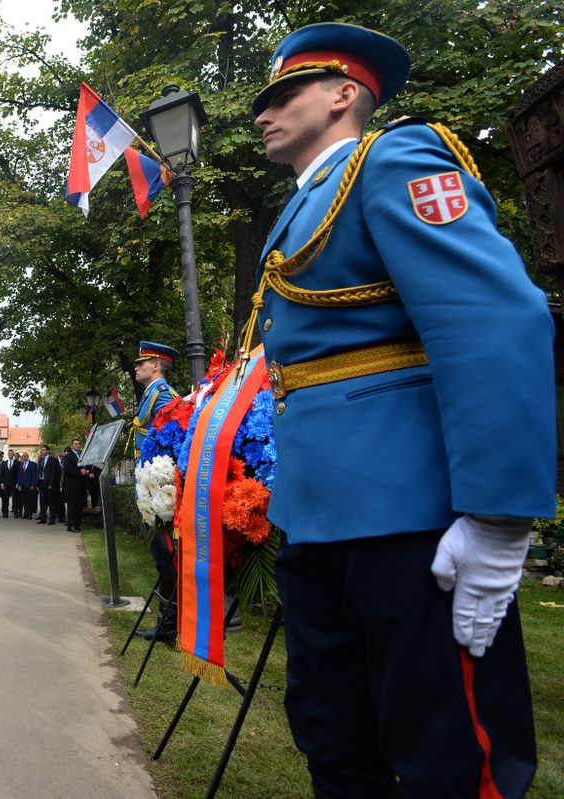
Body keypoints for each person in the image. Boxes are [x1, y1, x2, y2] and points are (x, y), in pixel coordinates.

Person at [249, 23, 555, 797]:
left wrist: (497, 514)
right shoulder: (306, 203)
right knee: (335, 742)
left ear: (345, 94)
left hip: (410, 519)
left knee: (449, 757)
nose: (263, 111)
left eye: (286, 93)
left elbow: (492, 321)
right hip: (319, 521)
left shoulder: (395, 161)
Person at [129, 341, 182, 643]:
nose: (136, 367)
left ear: (156, 366)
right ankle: (168, 622)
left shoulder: (163, 397)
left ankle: (171, 625)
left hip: (163, 489)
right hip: (153, 486)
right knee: (161, 556)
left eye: (142, 363)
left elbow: (170, 439)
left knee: (167, 556)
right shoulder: (151, 396)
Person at [61, 439, 84, 532]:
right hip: (72, 485)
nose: (77, 445)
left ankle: (78, 525)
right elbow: (67, 470)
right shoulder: (68, 456)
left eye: (79, 444)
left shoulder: (82, 455)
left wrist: (86, 470)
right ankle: (71, 525)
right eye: (75, 444)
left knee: (79, 506)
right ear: (72, 446)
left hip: (81, 485)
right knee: (72, 506)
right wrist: (80, 472)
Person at [16, 451, 38, 519]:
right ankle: (25, 513)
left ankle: (30, 514)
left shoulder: (32, 464)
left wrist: (33, 485)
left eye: (25, 456)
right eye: (23, 456)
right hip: (22, 485)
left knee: (30, 500)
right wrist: (19, 484)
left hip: (29, 485)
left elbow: (34, 475)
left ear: (28, 456)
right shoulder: (21, 464)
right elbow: (19, 475)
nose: (24, 457)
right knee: (24, 500)